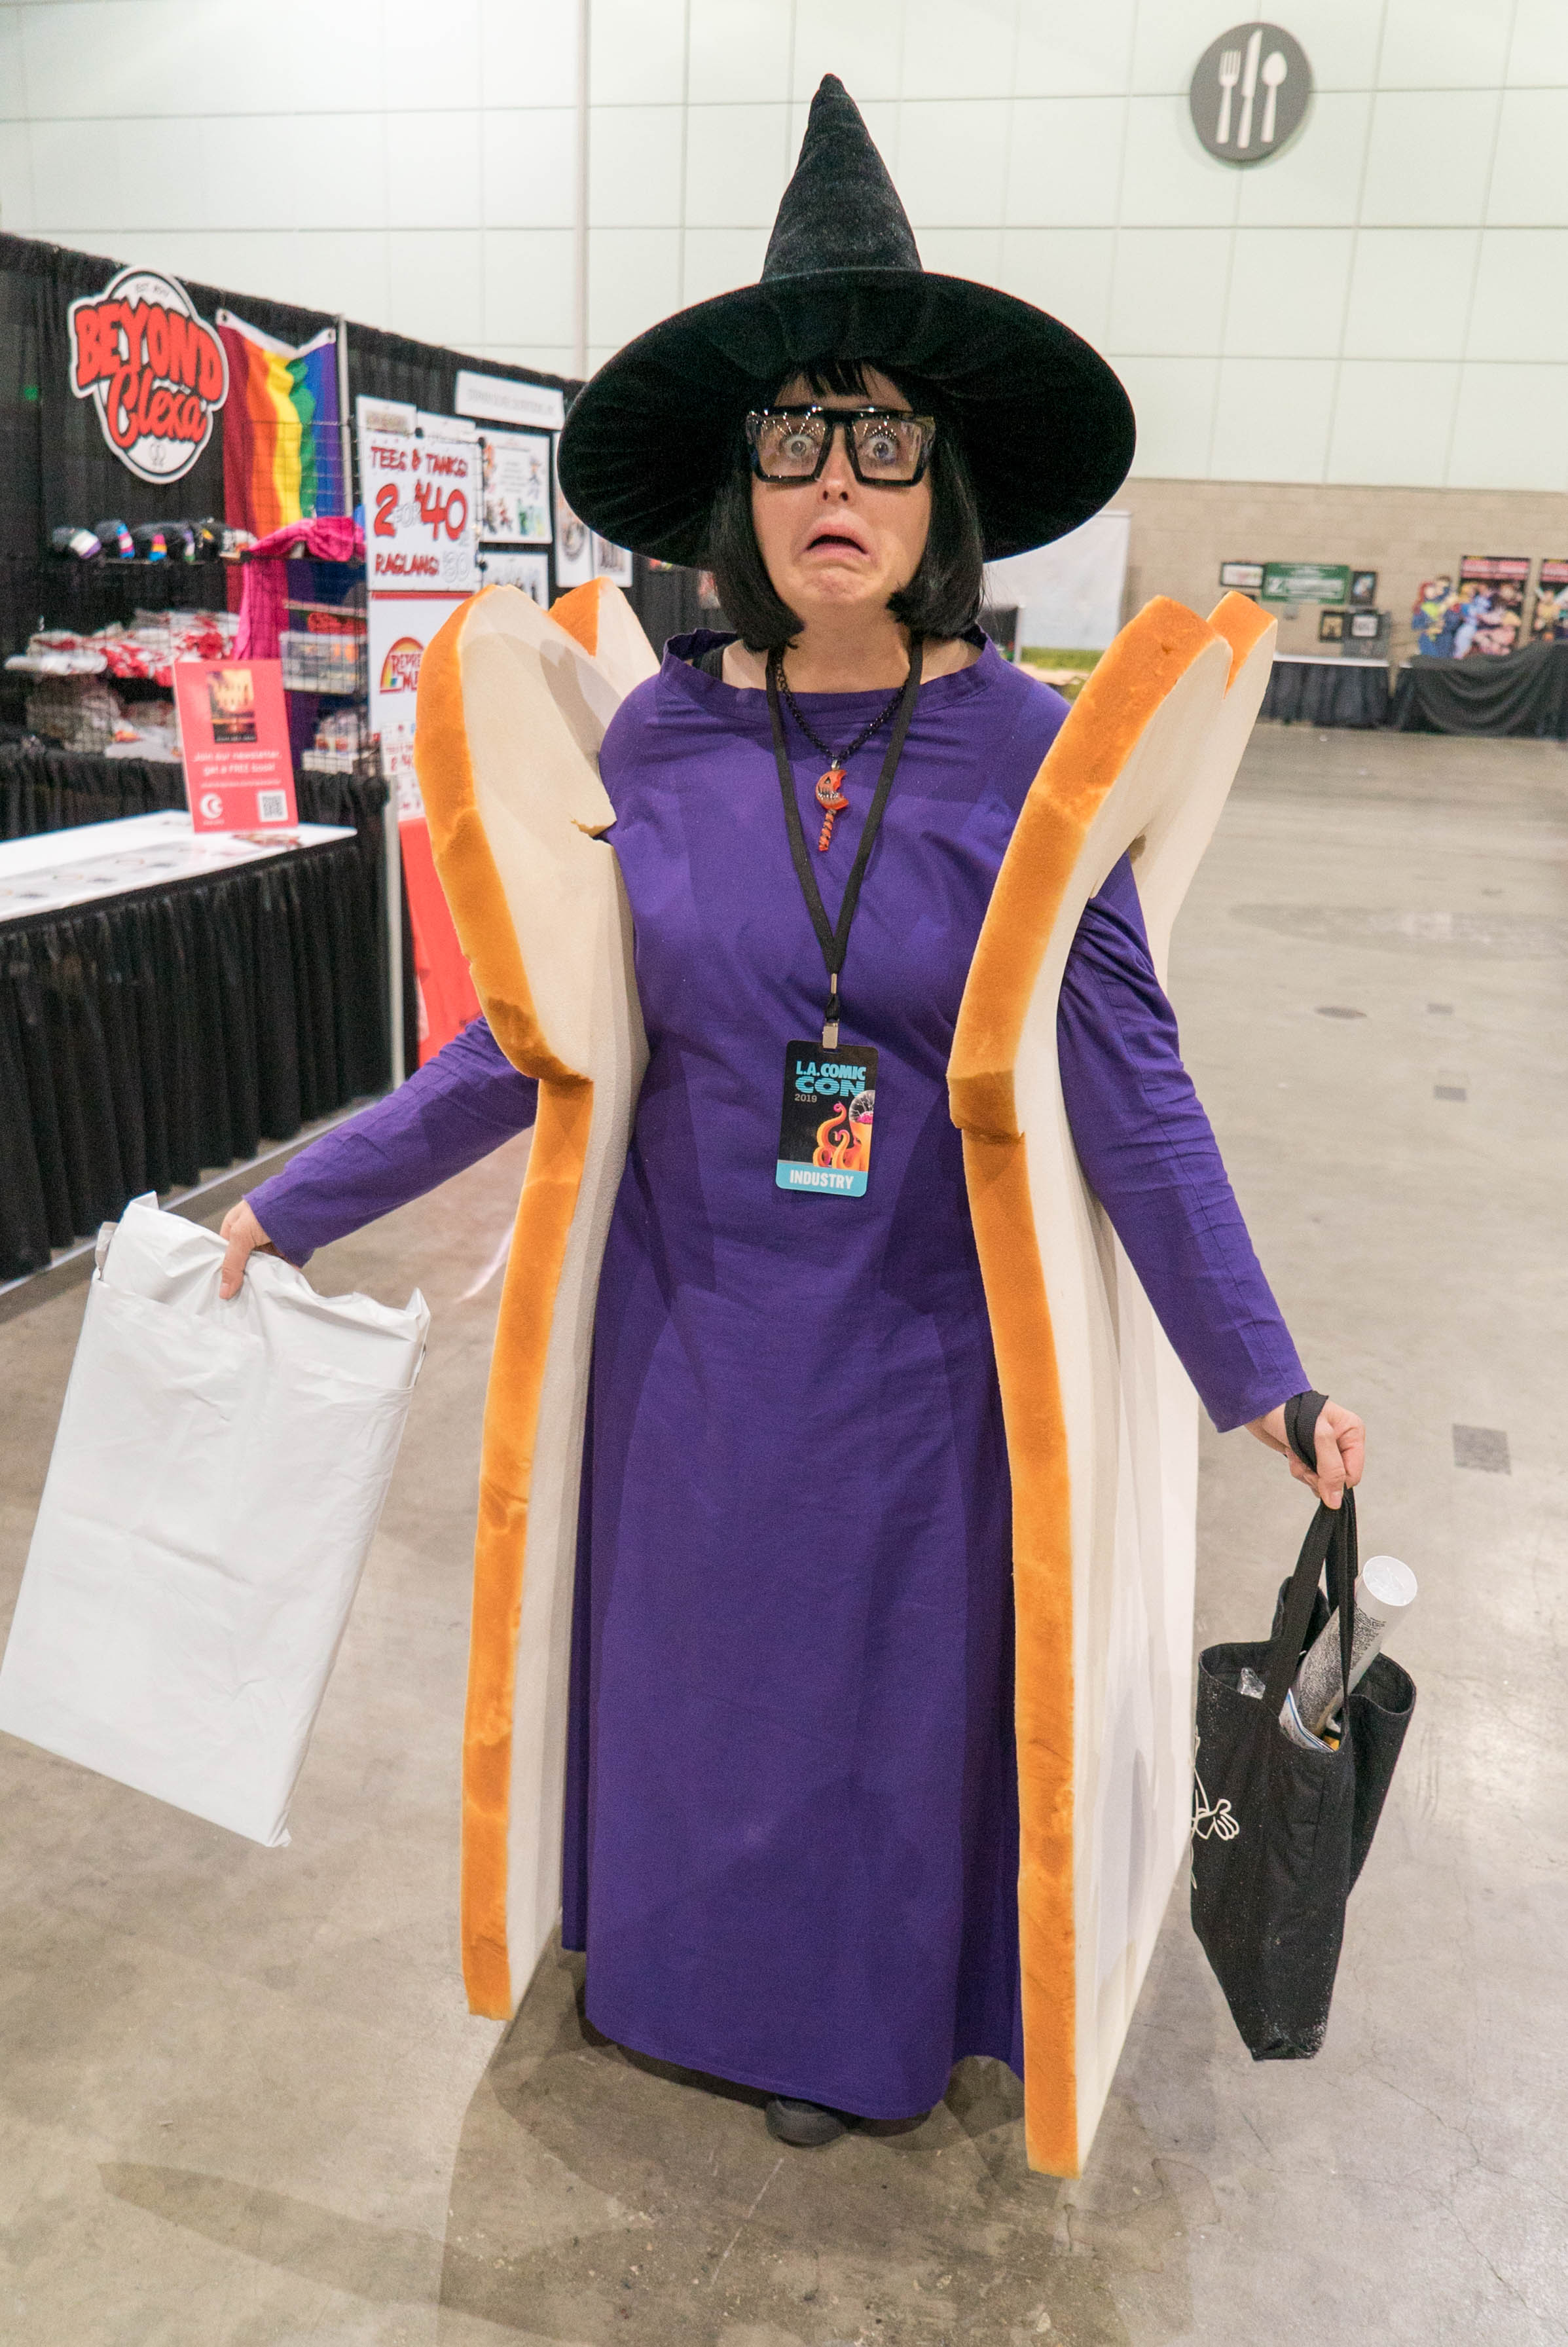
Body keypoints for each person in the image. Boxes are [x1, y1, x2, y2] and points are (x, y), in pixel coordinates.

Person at [220, 79, 1363, 2151]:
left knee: (873, 1720)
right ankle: (675, 1979)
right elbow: (527, 1042)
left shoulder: (1033, 759)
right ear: (735, 488)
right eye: (792, 439)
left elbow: (1134, 1082)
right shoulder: (650, 744)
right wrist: (296, 1201)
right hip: (684, 1352)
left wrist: (1261, 1382)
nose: (836, 480)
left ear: (944, 487)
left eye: (882, 440)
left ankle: (846, 2030)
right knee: (693, 1691)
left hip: (918, 1370)